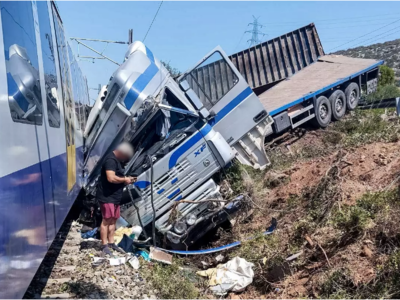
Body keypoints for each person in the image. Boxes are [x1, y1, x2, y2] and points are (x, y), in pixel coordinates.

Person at [96, 142, 136, 256]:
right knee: (106, 220)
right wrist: (124, 179)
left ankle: (111, 242)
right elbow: (111, 178)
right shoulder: (111, 160)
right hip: (107, 196)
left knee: (113, 219)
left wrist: (128, 180)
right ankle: (104, 245)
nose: (126, 159)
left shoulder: (118, 161)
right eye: (125, 156)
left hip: (115, 196)